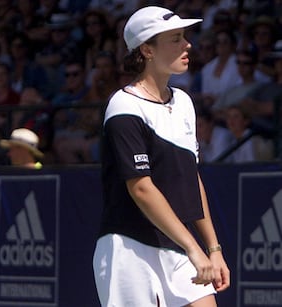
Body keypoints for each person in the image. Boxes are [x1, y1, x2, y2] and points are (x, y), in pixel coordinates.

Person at [92, 6, 230, 307]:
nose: (187, 45)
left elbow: (191, 179)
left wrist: (213, 247)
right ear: (147, 49)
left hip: (178, 245)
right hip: (128, 249)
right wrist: (194, 247)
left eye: (184, 37)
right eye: (176, 38)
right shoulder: (123, 106)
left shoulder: (183, 103)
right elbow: (141, 188)